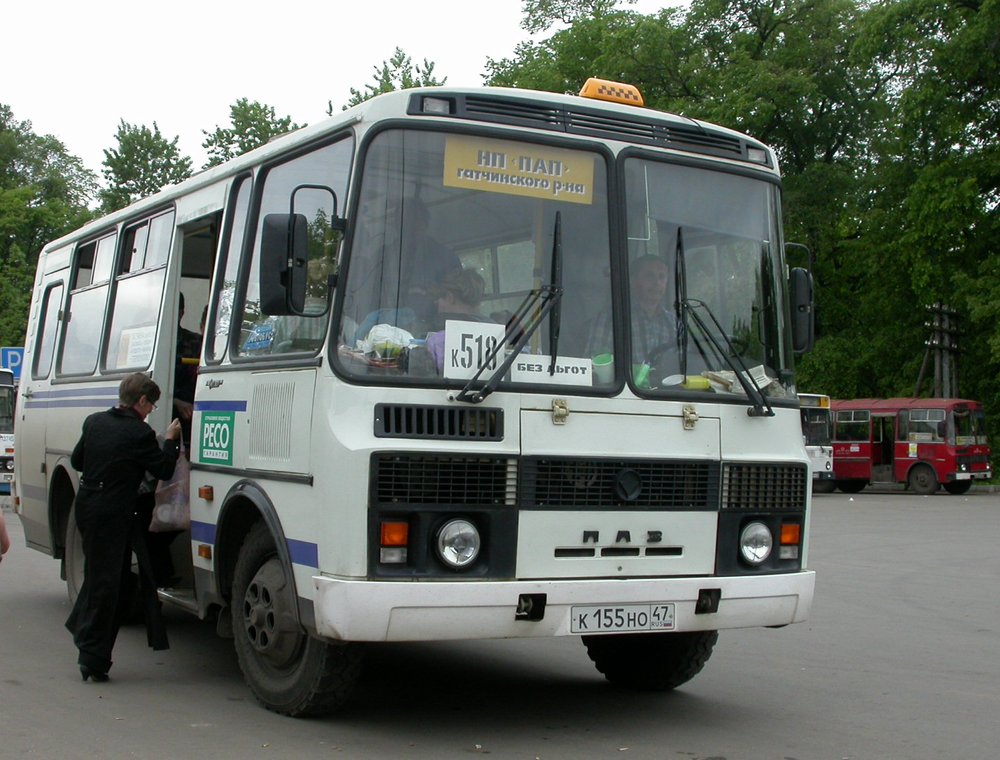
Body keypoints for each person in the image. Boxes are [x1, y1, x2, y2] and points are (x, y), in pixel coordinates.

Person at [65, 373, 182, 682]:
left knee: (100, 576)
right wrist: (170, 441)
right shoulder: (138, 433)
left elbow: (78, 461)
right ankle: (91, 655)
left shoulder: (94, 421)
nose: (151, 410)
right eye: (151, 405)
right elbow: (164, 469)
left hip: (88, 506)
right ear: (141, 401)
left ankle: (87, 639)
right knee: (108, 584)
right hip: (113, 513)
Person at [587, 254, 678, 368]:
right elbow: (594, 366)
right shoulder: (610, 319)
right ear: (633, 280)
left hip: (665, 385)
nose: (657, 283)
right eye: (649, 276)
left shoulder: (673, 323)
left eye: (662, 277)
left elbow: (683, 365)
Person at [425, 268, 492, 372]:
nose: (436, 304)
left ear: (450, 297)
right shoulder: (498, 331)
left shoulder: (438, 336)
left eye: (439, 299)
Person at [173, 293, 202, 450]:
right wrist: (174, 401)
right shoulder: (146, 341)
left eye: (174, 310)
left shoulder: (196, 342)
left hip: (192, 414)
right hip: (160, 410)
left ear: (181, 313)